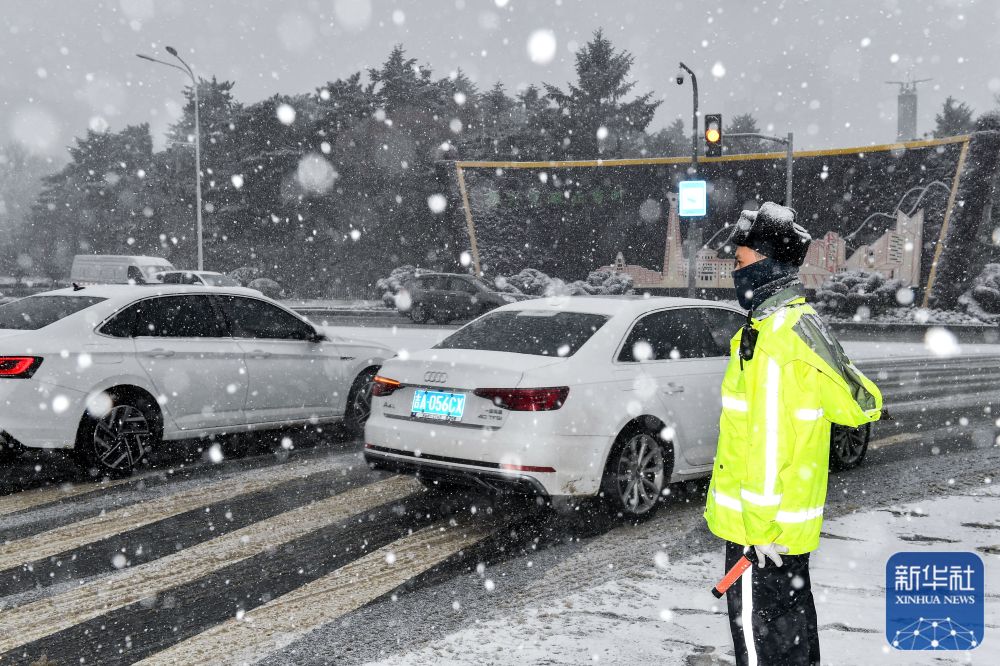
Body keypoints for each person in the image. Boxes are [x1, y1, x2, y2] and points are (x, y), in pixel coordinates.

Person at [703, 202, 884, 666]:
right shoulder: (799, 324)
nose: (735, 274)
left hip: (760, 538)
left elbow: (766, 445)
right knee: (792, 645)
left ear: (767, 265)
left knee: (762, 651)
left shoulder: (775, 339)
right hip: (790, 536)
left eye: (741, 264)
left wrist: (760, 535)